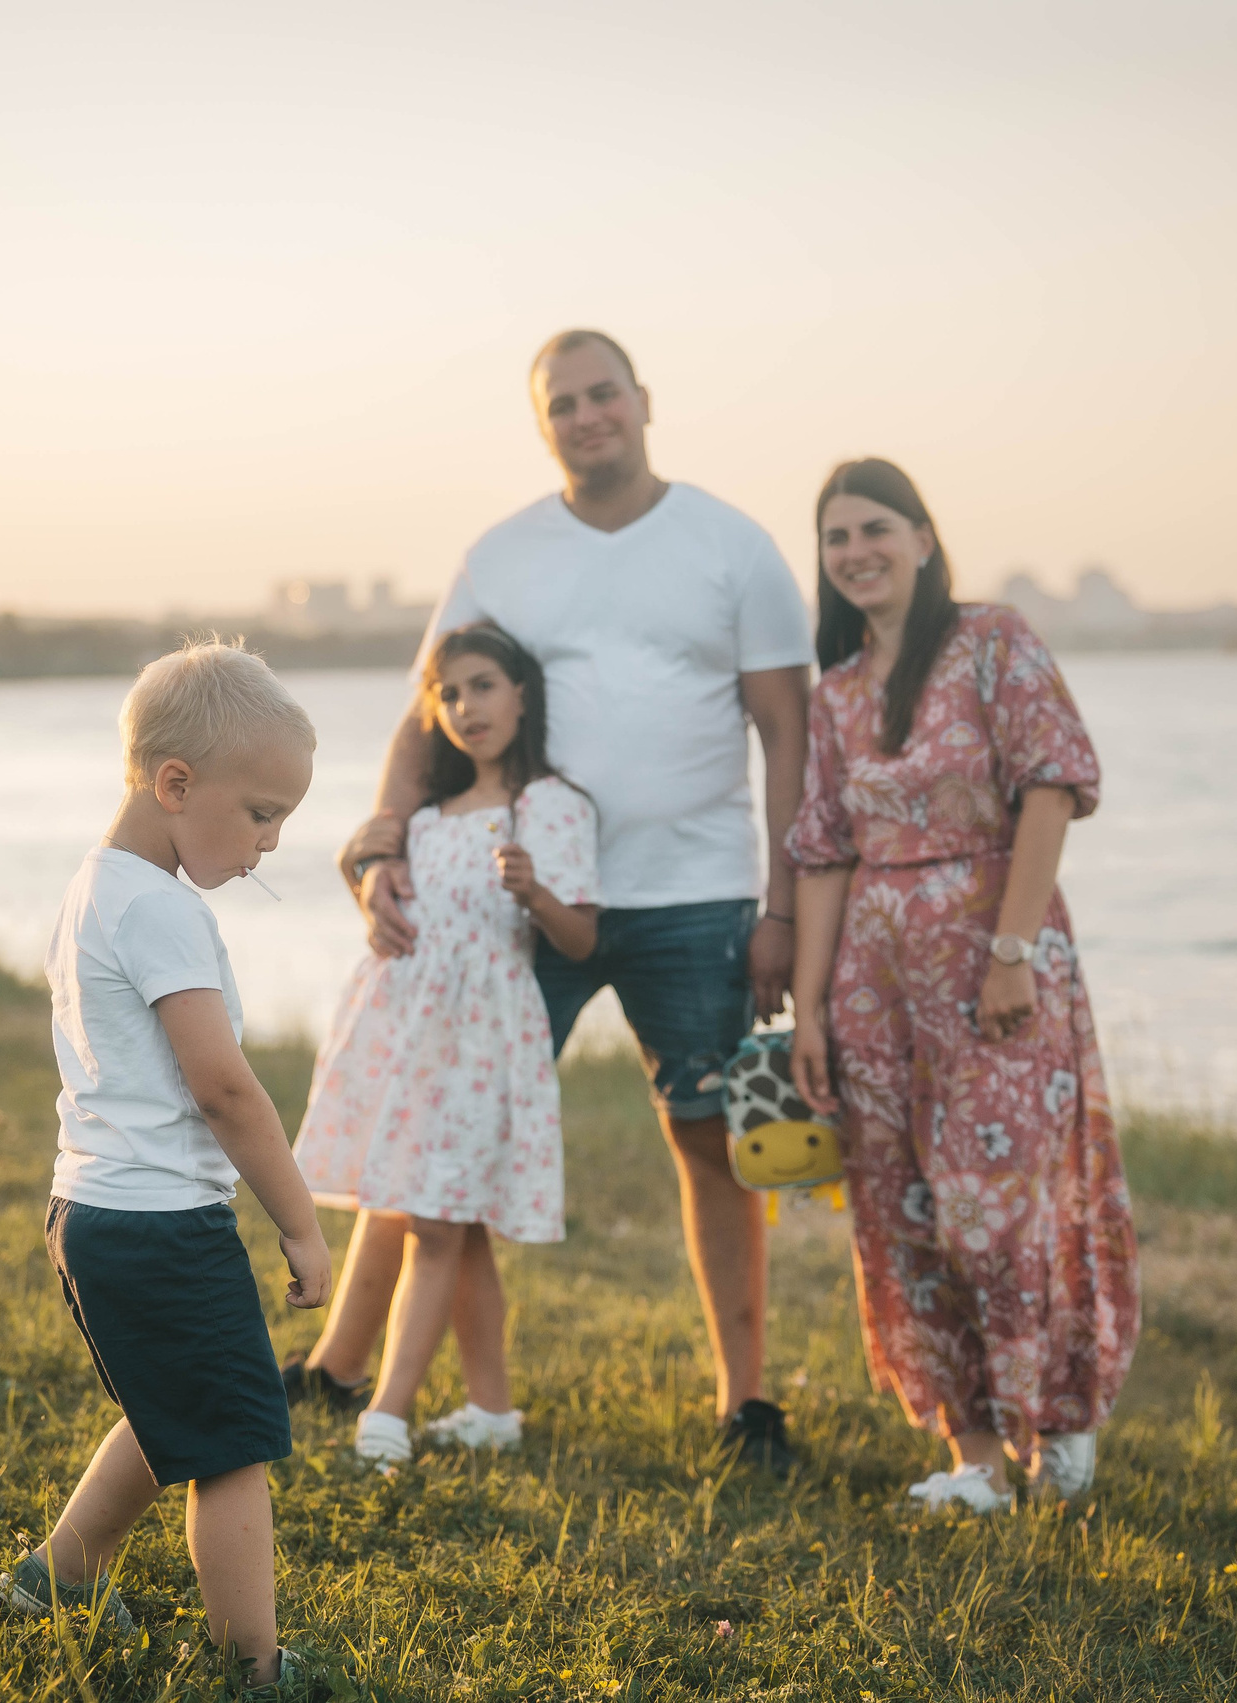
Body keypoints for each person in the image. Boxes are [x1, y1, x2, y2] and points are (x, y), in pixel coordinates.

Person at [322, 330, 814, 1473]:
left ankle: (745, 1402)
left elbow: (787, 731)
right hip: (509, 904)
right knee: (427, 1116)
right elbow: (422, 710)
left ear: (644, 400)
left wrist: (783, 902)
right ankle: (340, 1367)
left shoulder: (731, 545)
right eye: (564, 404)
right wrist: (382, 838)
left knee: (709, 1142)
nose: (589, 416)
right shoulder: (502, 553)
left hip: (694, 893)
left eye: (605, 395)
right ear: (542, 423)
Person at [786, 458, 1139, 1516]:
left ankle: (1059, 1421)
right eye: (836, 536)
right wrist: (807, 1008)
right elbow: (822, 854)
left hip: (995, 961)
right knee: (904, 1209)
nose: (855, 551)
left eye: (874, 528)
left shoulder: (992, 642)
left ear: (923, 537)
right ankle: (972, 1451)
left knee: (1005, 1203)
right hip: (873, 979)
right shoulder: (837, 692)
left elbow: (1050, 786)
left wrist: (1010, 950)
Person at [5, 641, 334, 1694]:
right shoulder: (160, 908)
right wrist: (299, 1219)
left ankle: (57, 1575)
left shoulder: (95, 888)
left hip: (93, 1210)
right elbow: (224, 1086)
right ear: (175, 783)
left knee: (170, 1410)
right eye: (260, 813)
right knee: (232, 1444)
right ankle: (255, 1665)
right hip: (157, 1223)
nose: (271, 842)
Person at [291, 623, 600, 1470]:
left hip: (483, 1040)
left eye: (484, 685)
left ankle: (386, 1411)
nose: (467, 706)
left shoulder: (551, 806)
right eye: (450, 692)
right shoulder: (423, 819)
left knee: (434, 1218)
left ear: (522, 693)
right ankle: (492, 1409)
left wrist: (535, 890)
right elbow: (383, 898)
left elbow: (578, 940)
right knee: (450, 1223)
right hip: (406, 1038)